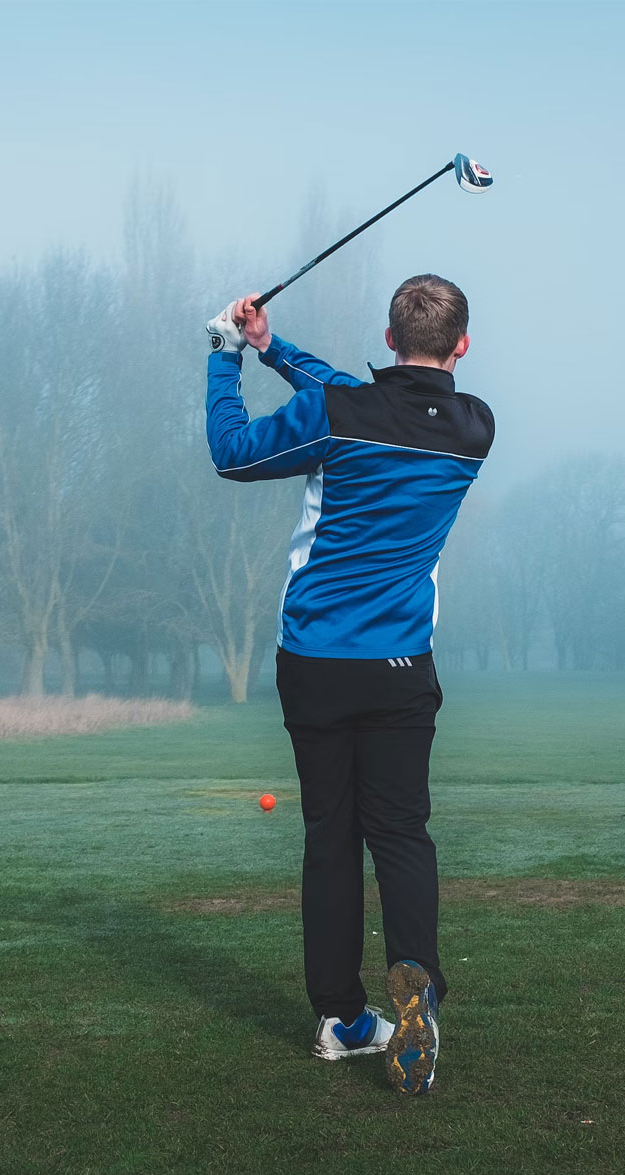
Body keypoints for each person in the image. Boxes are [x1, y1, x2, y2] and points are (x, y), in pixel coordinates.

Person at [203, 274, 493, 1095]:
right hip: (403, 667)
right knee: (401, 835)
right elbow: (366, 400)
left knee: (330, 839)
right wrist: (273, 348)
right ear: (460, 346)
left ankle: (340, 1018)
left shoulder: (340, 418)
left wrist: (226, 355)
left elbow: (234, 453)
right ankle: (418, 994)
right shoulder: (475, 429)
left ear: (390, 335)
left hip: (318, 667)